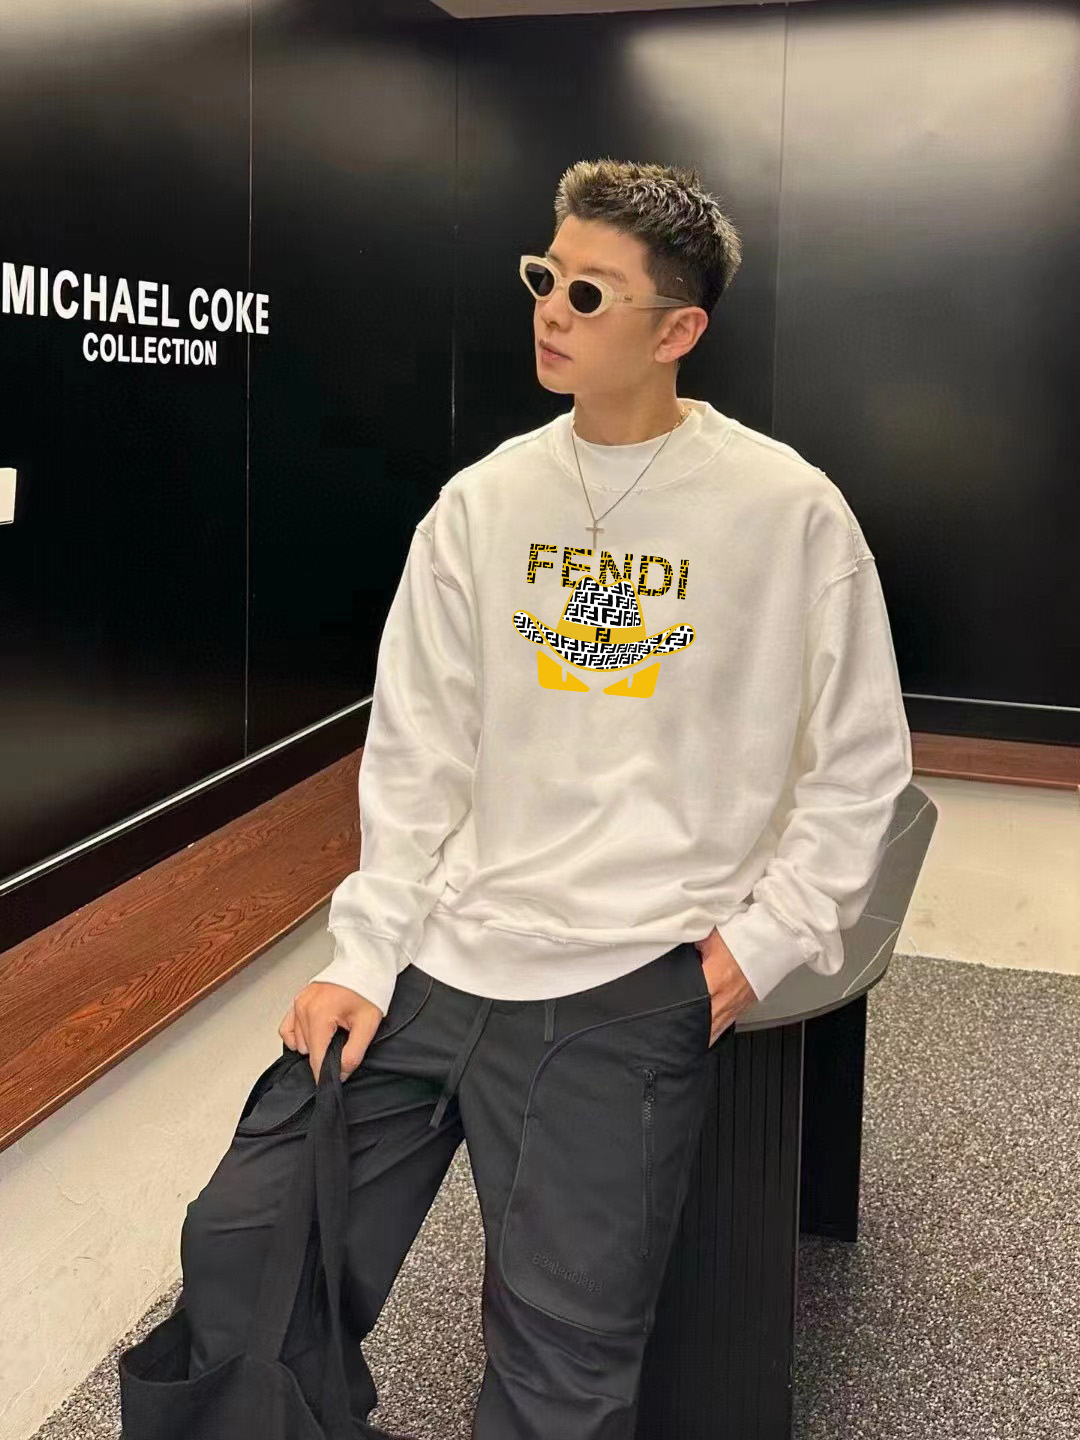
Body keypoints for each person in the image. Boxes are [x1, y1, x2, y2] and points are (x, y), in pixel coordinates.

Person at [178, 158, 913, 1438]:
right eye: (544, 276)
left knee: (560, 1356)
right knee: (243, 1250)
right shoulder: (481, 504)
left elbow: (862, 769)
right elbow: (418, 752)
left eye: (588, 291)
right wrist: (365, 952)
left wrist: (753, 951)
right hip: (440, 959)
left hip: (629, 978)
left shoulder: (787, 512)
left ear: (677, 331)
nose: (549, 310)